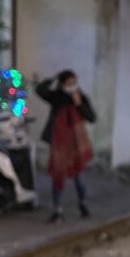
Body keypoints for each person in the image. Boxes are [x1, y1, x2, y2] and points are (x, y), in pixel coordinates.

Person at [37, 71, 96, 221]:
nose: (72, 86)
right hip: (59, 143)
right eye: (69, 83)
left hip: (76, 144)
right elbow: (40, 90)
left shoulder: (81, 97)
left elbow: (91, 117)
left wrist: (79, 104)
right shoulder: (57, 97)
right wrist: (52, 78)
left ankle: (83, 204)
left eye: (74, 83)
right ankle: (57, 209)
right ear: (62, 84)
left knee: (79, 177)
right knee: (58, 175)